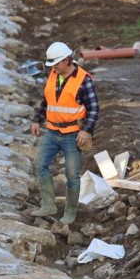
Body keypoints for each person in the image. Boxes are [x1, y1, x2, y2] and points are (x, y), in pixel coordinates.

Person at [30, 41, 99, 226]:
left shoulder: (84, 80)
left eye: (56, 63)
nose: (53, 67)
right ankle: (49, 205)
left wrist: (86, 130)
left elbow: (93, 108)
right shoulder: (53, 75)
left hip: (72, 134)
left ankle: (70, 212)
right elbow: (46, 100)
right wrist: (37, 119)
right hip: (52, 131)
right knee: (39, 165)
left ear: (67, 60)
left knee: (72, 175)